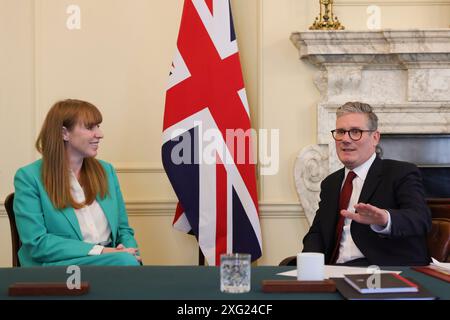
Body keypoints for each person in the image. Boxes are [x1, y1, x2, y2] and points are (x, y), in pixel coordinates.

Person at [13, 99, 141, 266]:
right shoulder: (29, 177)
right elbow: (37, 243)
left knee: (128, 263)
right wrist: (102, 252)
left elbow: (124, 230)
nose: (100, 134)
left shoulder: (106, 171)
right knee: (124, 262)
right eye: (90, 127)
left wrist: (132, 253)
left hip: (112, 260)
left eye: (98, 126)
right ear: (64, 133)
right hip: (56, 266)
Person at [302, 101, 431, 266]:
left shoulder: (400, 173)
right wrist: (308, 267)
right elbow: (318, 233)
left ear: (375, 138)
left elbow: (421, 219)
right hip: (332, 270)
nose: (345, 139)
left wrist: (386, 219)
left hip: (379, 271)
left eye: (355, 132)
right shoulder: (331, 183)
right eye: (341, 132)